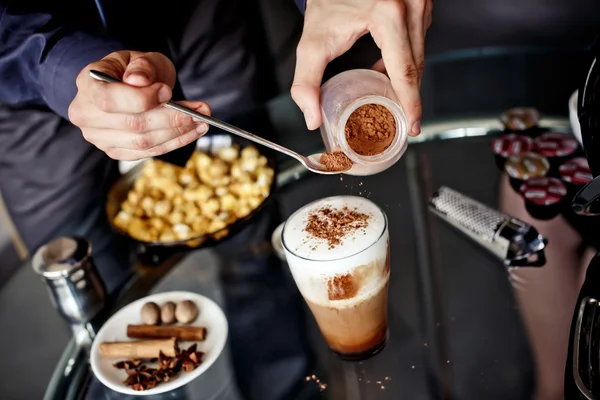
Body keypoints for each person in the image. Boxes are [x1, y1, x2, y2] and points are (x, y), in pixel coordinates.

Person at [0, 0, 432, 399]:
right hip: (32, 70)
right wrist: (58, 64)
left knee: (253, 257)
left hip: (201, 18)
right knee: (100, 300)